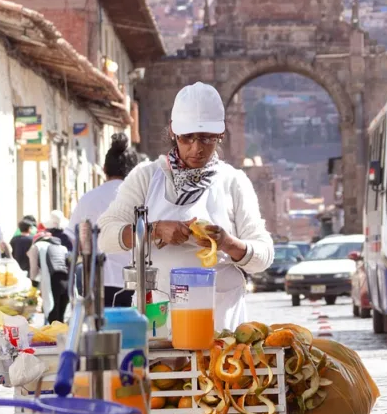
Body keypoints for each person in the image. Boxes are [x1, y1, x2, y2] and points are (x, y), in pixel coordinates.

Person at [98, 82, 273, 331]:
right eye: (187, 138)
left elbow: (263, 256)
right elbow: (106, 237)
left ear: (220, 135)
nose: (197, 148)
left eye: (206, 138)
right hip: (159, 319)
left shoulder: (233, 182)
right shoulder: (146, 178)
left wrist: (225, 242)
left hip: (220, 322)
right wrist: (154, 229)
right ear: (172, 132)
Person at [69, 133, 141, 307]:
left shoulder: (88, 199)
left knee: (101, 331)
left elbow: (74, 240)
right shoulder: (142, 198)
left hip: (97, 283)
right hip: (135, 284)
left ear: (104, 169)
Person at [29, 212, 73, 324]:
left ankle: (55, 340)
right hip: (66, 281)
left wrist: (33, 284)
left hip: (52, 282)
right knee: (61, 318)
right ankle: (63, 339)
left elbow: (33, 269)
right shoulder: (61, 245)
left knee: (53, 318)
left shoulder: (37, 246)